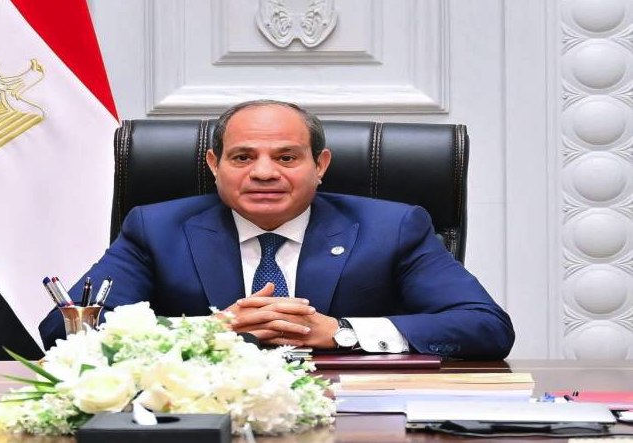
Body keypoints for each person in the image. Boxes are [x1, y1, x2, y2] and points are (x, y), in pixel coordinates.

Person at [39, 100, 514, 359]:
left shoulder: (393, 227)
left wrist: (341, 332)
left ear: (320, 165)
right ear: (214, 164)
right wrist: (209, 330)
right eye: (243, 157)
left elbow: (486, 327)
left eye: (286, 157)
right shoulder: (156, 228)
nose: (264, 173)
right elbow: (65, 330)